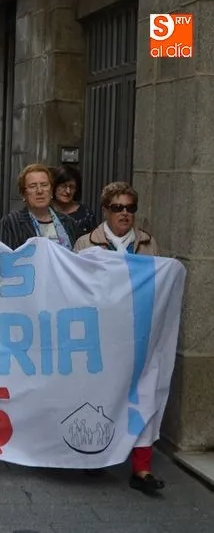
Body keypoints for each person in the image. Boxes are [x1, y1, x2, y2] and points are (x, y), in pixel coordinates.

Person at [73, 181, 163, 494]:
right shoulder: (86, 243)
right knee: (98, 396)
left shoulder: (148, 244)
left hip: (137, 334)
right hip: (99, 335)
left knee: (142, 395)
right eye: (117, 207)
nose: (124, 214)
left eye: (130, 208)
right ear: (105, 210)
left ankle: (142, 467)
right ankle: (95, 454)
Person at [0, 163, 81, 250]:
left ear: (51, 191)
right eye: (33, 186)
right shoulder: (11, 223)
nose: (39, 191)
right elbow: (7, 258)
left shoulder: (69, 222)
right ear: (23, 194)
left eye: (44, 185)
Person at [52, 165, 97, 235]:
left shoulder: (86, 214)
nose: (68, 191)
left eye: (72, 187)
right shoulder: (46, 211)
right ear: (54, 187)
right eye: (64, 186)